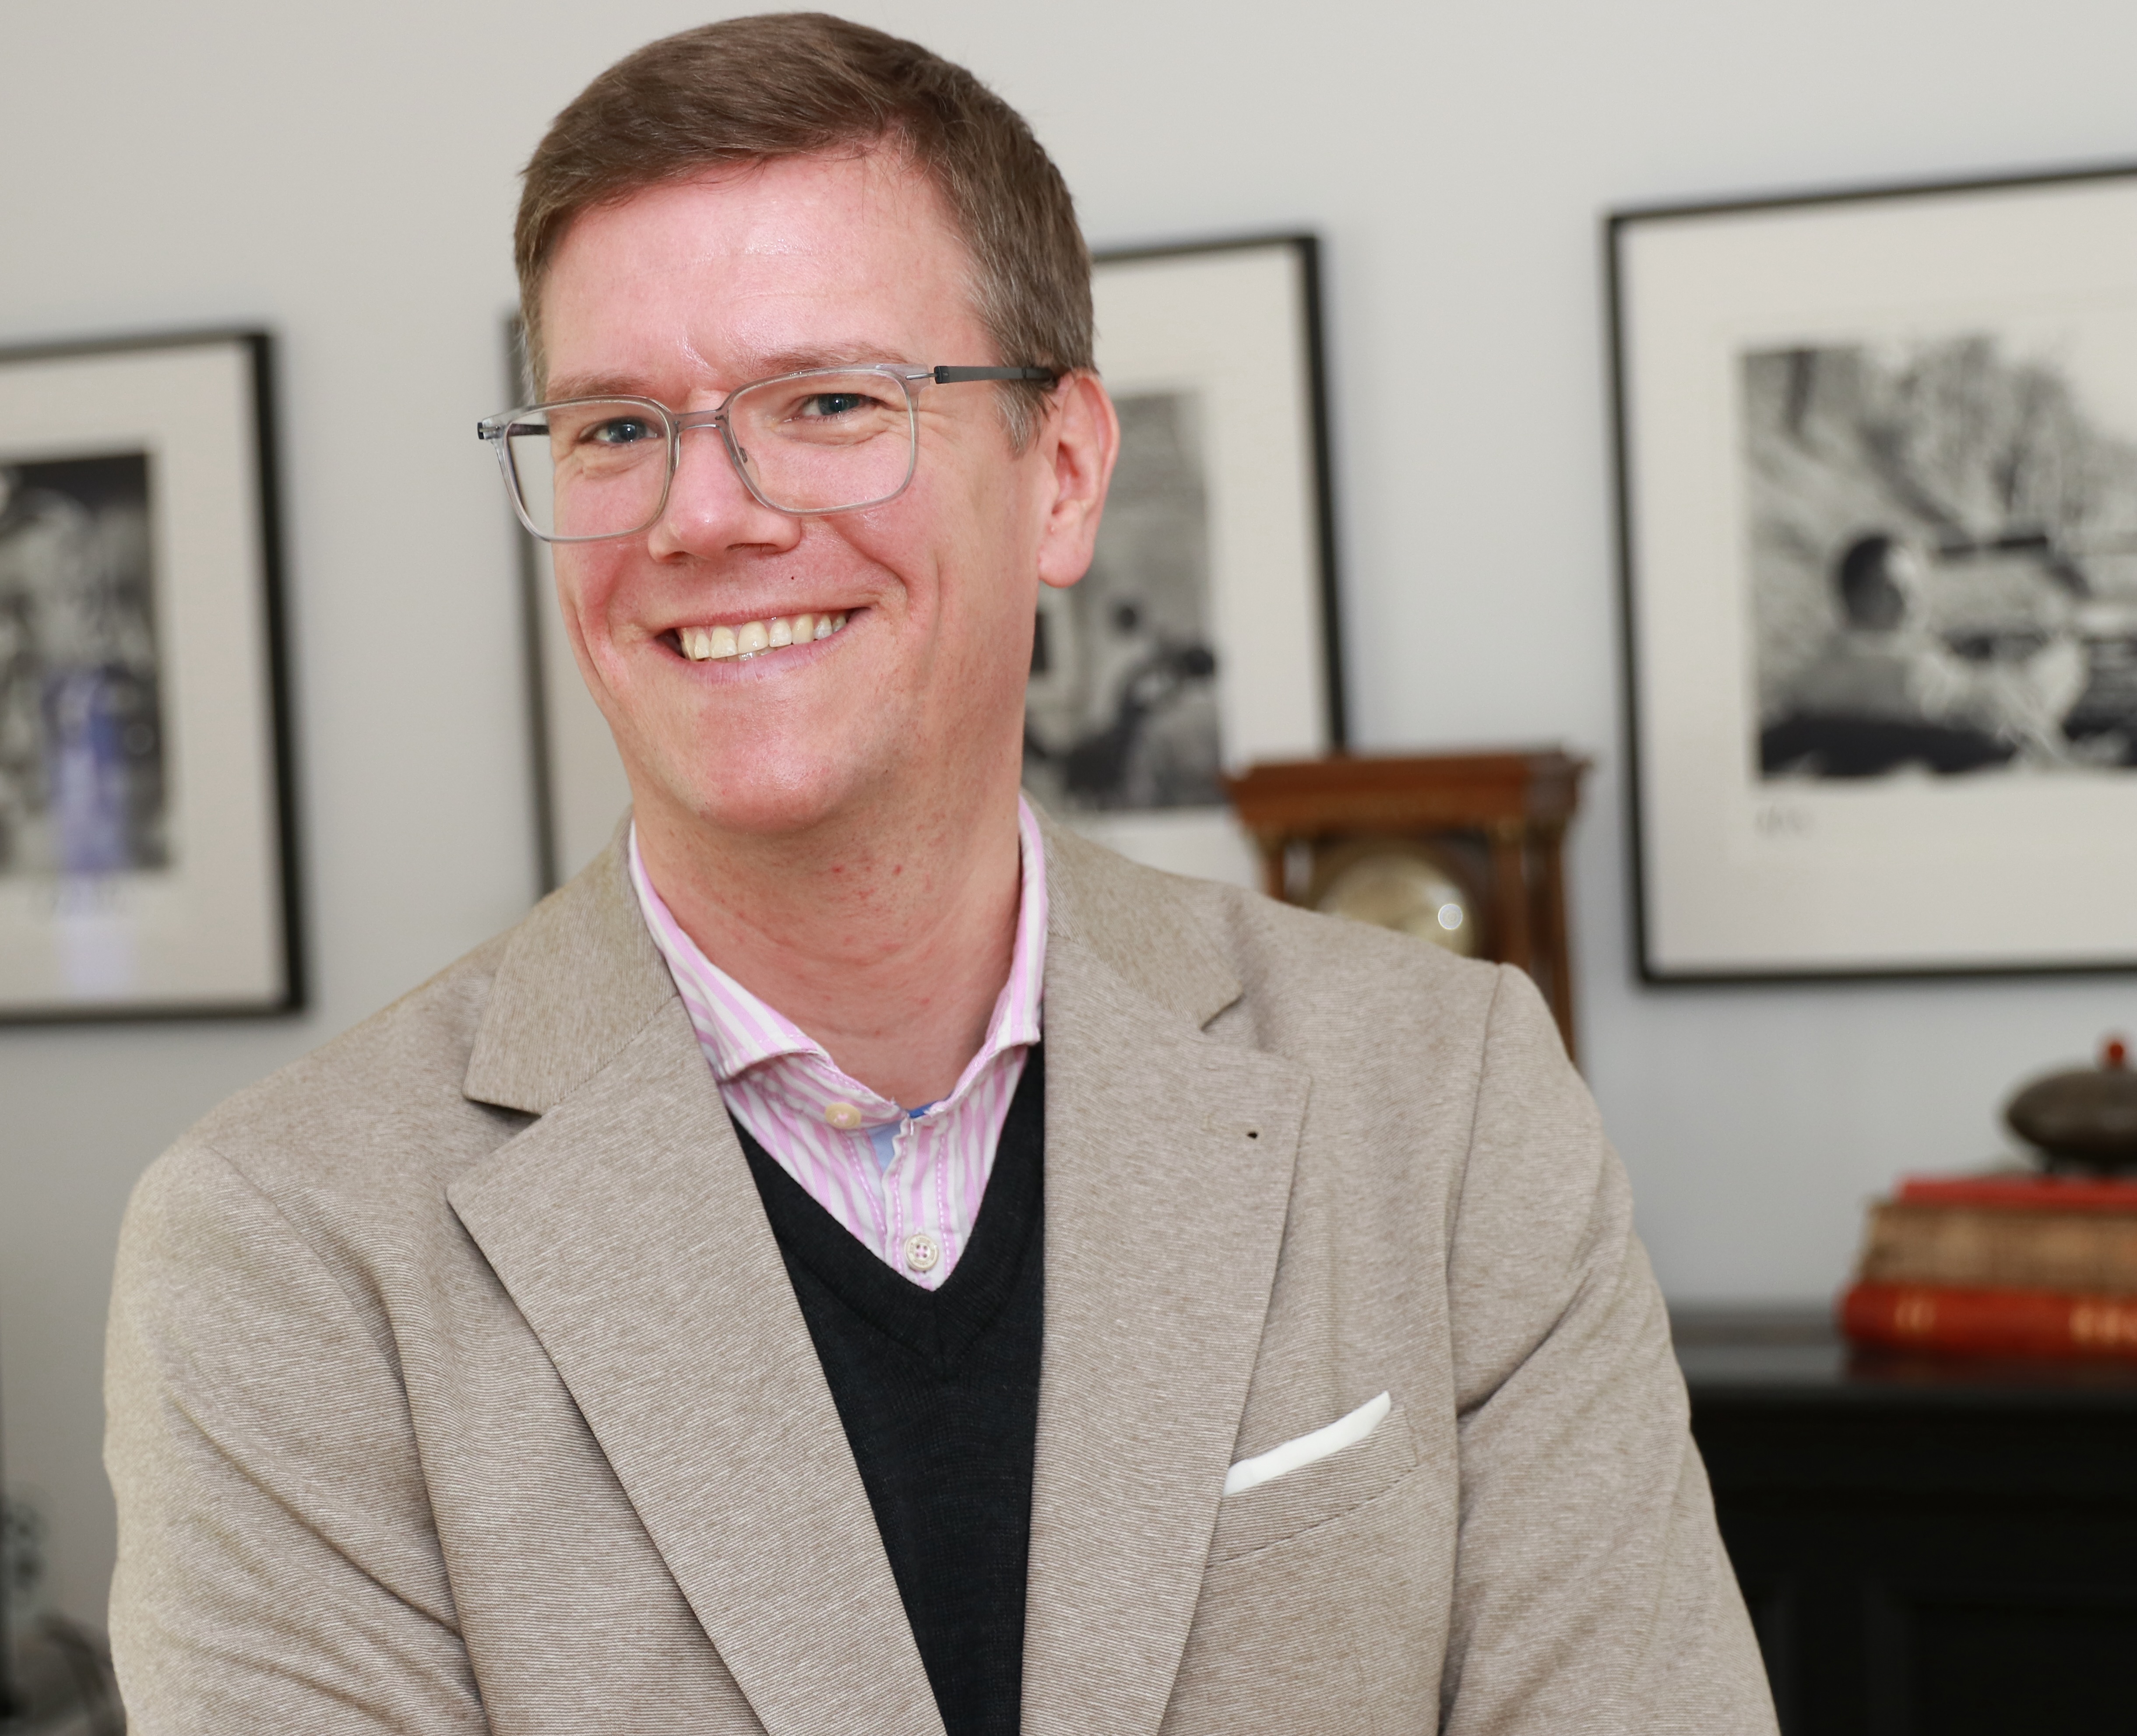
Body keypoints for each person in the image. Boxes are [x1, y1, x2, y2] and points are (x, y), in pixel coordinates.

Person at [104, 16, 1776, 1734]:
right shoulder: (285, 1247)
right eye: (614, 429)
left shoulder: (1442, 1101)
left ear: (1062, 476)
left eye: (828, 403)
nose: (702, 516)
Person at [1763, 531, 2089, 777]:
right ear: (1853, 596)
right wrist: (2064, 658)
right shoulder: (1905, 673)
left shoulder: (1814, 674)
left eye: (1914, 591)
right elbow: (2006, 707)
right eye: (1893, 590)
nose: (1911, 604)